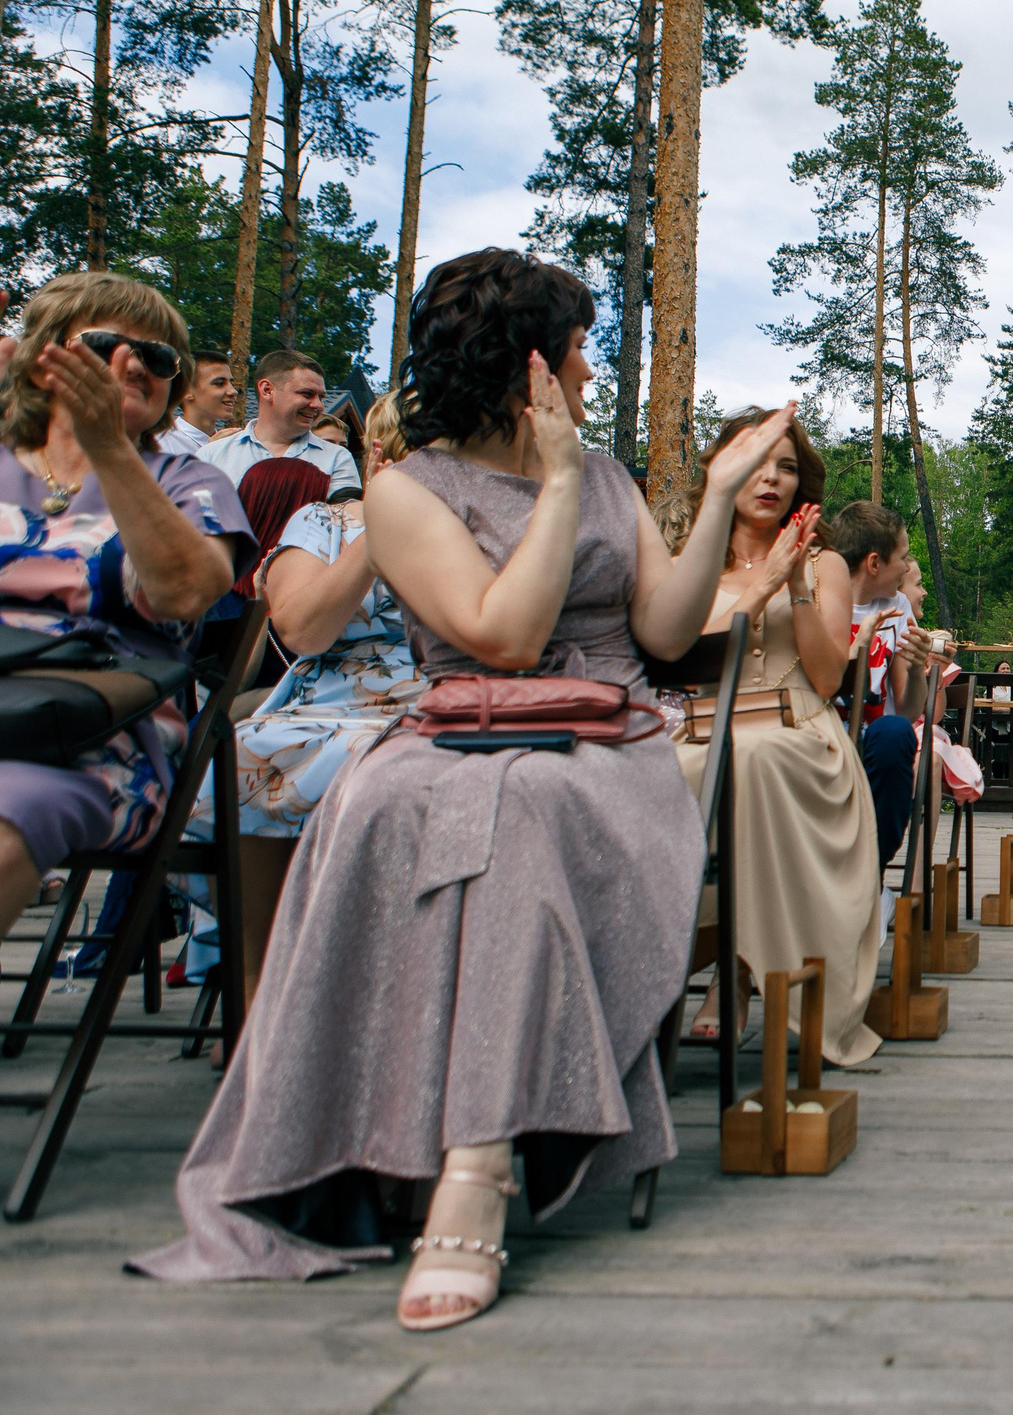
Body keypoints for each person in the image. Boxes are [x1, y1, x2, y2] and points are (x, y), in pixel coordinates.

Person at [136, 248, 791, 1332]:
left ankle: (473, 1172)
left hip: (602, 740)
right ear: (524, 364)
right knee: (383, 807)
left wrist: (717, 496)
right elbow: (499, 636)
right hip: (454, 727)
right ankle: (375, 1141)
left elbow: (668, 631)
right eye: (577, 349)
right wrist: (562, 480)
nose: (591, 371)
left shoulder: (613, 478)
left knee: (522, 809)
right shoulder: (404, 492)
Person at [0, 273, 251, 943]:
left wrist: (110, 448)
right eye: (108, 342)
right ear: (43, 357)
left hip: (93, 744)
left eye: (160, 357)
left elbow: (185, 592)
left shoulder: (188, 482)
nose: (135, 363)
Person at [661, 405, 880, 1066]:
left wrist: (796, 586)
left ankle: (737, 973)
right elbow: (679, 658)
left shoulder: (825, 568)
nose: (772, 478)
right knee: (665, 772)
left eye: (786, 466)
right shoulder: (689, 567)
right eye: (757, 463)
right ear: (722, 473)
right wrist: (757, 586)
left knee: (752, 759)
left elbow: (827, 675)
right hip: (703, 729)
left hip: (799, 732)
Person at [193, 396, 424, 845]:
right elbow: (301, 632)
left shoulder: (486, 523)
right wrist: (379, 526)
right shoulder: (326, 521)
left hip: (451, 700)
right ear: (389, 450)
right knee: (256, 752)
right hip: (332, 703)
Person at [834, 499, 934, 869]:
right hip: (821, 729)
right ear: (874, 563)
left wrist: (918, 666)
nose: (907, 567)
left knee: (893, 731)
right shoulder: (820, 600)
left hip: (874, 737)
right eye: (903, 557)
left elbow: (907, 712)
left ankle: (870, 872)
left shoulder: (897, 610)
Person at [197, 347, 359, 498]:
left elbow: (345, 523)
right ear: (267, 390)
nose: (318, 405)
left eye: (321, 397)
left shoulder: (336, 458)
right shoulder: (212, 456)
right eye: (307, 394)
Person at [160, 349, 237, 457]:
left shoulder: (231, 445)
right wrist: (208, 454)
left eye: (231, 383)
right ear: (186, 391)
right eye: (219, 383)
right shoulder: (162, 445)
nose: (233, 391)